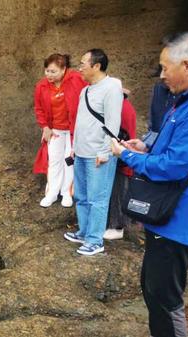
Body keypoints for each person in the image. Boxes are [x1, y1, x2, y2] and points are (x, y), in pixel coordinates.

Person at [111, 32, 188, 337]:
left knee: (165, 293)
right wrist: (143, 146)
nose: (162, 74)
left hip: (182, 215)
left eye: (166, 67)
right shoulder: (187, 101)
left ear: (187, 66)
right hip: (169, 214)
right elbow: (169, 148)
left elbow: (175, 166)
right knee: (152, 284)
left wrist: (127, 156)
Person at [62, 49, 123, 255]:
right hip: (81, 151)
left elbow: (113, 123)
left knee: (98, 198)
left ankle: (95, 240)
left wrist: (105, 152)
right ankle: (84, 232)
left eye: (83, 64)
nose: (79, 68)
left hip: (99, 153)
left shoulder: (112, 87)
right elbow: (81, 122)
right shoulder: (86, 90)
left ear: (96, 66)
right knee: (81, 195)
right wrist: (74, 147)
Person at [33, 53, 88, 208]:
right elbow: (38, 108)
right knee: (54, 160)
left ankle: (67, 192)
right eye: (47, 71)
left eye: (53, 71)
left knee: (69, 160)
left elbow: (92, 87)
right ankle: (52, 193)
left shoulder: (75, 79)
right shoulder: (42, 86)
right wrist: (45, 126)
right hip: (55, 129)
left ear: (64, 69)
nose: (49, 75)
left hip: (73, 129)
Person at [103, 94, 137, 240]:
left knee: (119, 190)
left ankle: (117, 226)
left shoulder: (122, 108)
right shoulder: (120, 106)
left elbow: (124, 134)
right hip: (119, 155)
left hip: (122, 157)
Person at [142, 79, 178, 148]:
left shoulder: (185, 92)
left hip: (169, 138)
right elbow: (153, 109)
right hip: (154, 133)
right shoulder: (159, 87)